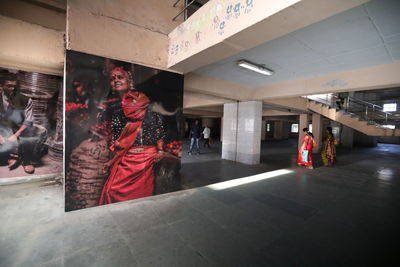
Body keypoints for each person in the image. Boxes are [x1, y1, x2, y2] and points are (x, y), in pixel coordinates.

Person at [99, 66, 168, 205]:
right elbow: (120, 142)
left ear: (129, 80)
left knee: (142, 194)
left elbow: (157, 127)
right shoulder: (116, 107)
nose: (116, 81)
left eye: (120, 77)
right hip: (127, 157)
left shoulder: (142, 102)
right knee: (112, 191)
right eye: (112, 79)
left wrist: (160, 150)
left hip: (147, 157)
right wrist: (110, 162)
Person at [0, 73, 46, 174]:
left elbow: (28, 121)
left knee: (31, 131)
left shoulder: (25, 99)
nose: (12, 89)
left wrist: (16, 135)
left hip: (18, 127)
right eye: (8, 86)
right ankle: (11, 156)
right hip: (2, 127)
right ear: (1, 86)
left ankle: (25, 159)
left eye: (14, 86)